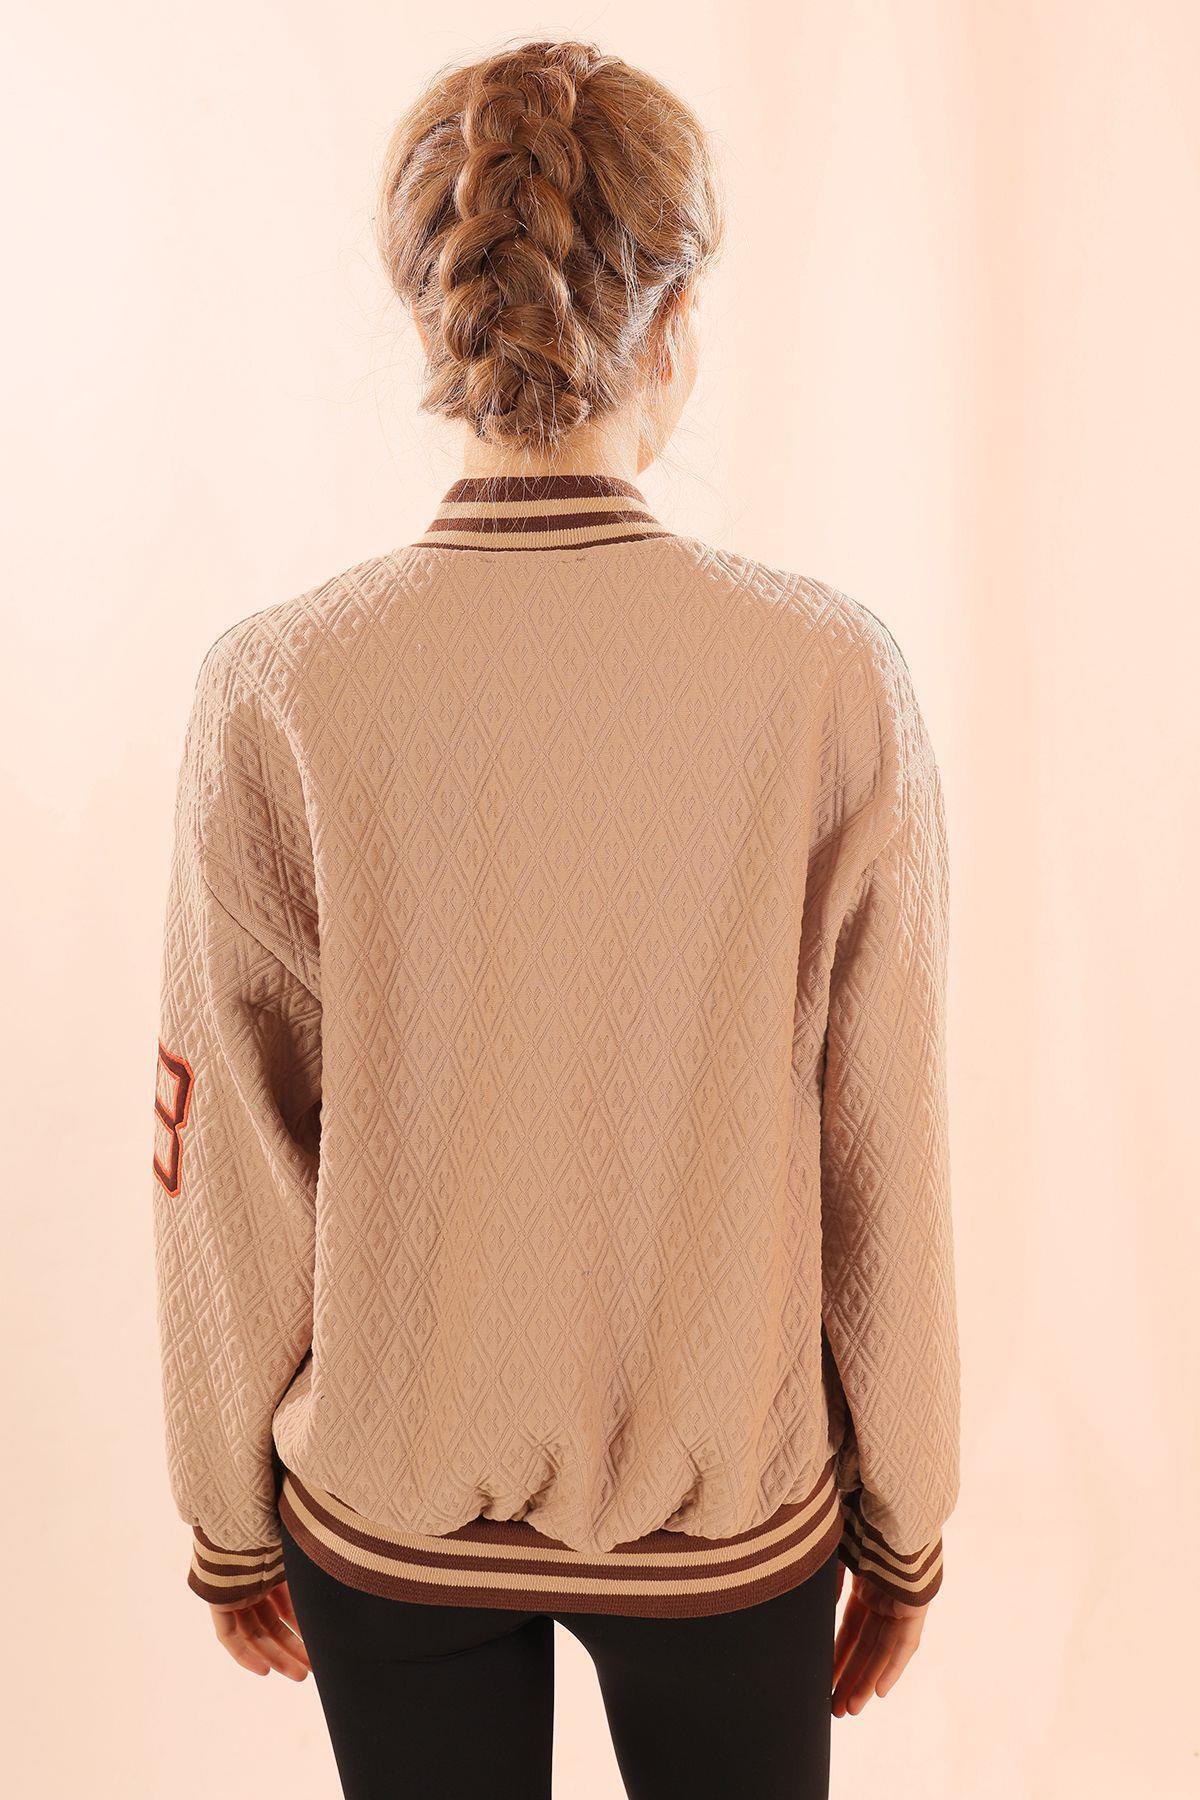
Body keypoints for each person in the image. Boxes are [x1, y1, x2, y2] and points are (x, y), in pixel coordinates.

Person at [149, 37, 960, 1800]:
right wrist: (908, 1509)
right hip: (726, 1521)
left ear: (431, 312)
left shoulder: (281, 684)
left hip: (386, 1512)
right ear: (675, 323)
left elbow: (224, 1149)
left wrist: (226, 1509)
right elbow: (882, 1131)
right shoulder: (826, 676)